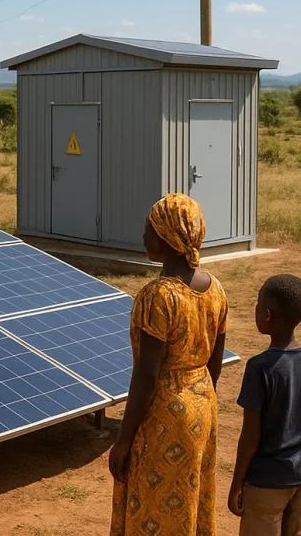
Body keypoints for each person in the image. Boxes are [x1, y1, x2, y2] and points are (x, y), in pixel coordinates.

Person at [109, 193, 228, 536]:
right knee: (189, 497)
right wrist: (198, 402)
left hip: (165, 414)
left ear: (166, 238)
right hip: (202, 407)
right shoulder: (216, 290)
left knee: (154, 506)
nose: (143, 235)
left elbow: (147, 378)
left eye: (149, 228)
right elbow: (213, 366)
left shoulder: (159, 297)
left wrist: (123, 438)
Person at [228, 274, 301, 536]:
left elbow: (250, 437)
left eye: (257, 305)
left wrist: (237, 483)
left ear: (267, 315)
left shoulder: (259, 368)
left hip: (265, 485)